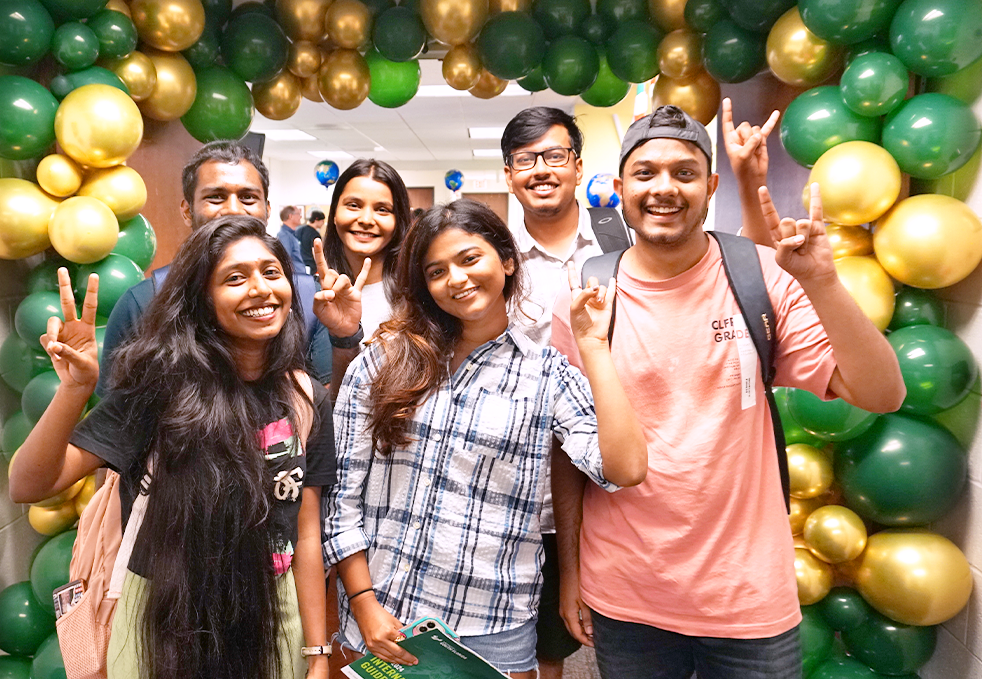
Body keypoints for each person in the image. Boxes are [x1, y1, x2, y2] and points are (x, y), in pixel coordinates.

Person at [549, 105, 906, 678]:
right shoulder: (588, 295)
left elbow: (882, 392)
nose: (664, 187)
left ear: (710, 186)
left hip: (746, 598)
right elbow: (566, 450)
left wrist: (822, 281)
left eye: (684, 173)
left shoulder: (760, 273)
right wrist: (570, 572)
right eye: (645, 173)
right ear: (620, 188)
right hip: (626, 592)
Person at [500, 102, 780, 679]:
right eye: (525, 160)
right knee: (543, 650)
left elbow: (737, 280)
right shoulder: (491, 259)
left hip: (634, 500)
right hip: (534, 489)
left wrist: (753, 189)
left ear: (582, 168)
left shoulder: (622, 236)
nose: (541, 170)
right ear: (508, 174)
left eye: (555, 155)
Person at [322, 199, 647, 678]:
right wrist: (363, 601)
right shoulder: (382, 361)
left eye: (469, 259)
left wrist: (593, 346)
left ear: (507, 261)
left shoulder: (545, 374)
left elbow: (625, 469)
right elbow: (342, 496)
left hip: (490, 626)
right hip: (380, 616)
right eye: (436, 271)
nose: (455, 279)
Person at [9, 216, 338, 679]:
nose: (261, 289)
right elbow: (29, 483)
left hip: (273, 616)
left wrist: (317, 654)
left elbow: (305, 534)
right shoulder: (160, 392)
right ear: (202, 299)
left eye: (271, 272)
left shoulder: (305, 398)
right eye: (235, 277)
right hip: (160, 617)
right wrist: (76, 389)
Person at [97, 141, 332, 392]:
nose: (233, 209)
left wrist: (345, 337)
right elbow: (115, 419)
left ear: (268, 210)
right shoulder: (145, 302)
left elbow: (329, 407)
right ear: (188, 211)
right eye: (216, 197)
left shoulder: (308, 300)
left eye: (248, 197)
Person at [306, 159, 412, 395]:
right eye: (353, 205)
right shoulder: (310, 296)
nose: (366, 219)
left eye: (382, 209)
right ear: (334, 214)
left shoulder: (416, 294)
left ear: (398, 221)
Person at [278, 205, 307, 275]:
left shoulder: (291, 235)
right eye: (298, 214)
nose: (300, 217)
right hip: (295, 277)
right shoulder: (284, 235)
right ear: (290, 216)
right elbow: (285, 260)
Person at [298, 210, 325, 275]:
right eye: (322, 221)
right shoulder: (315, 234)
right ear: (316, 220)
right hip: (310, 266)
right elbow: (315, 252)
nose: (323, 223)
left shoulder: (300, 230)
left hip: (299, 264)